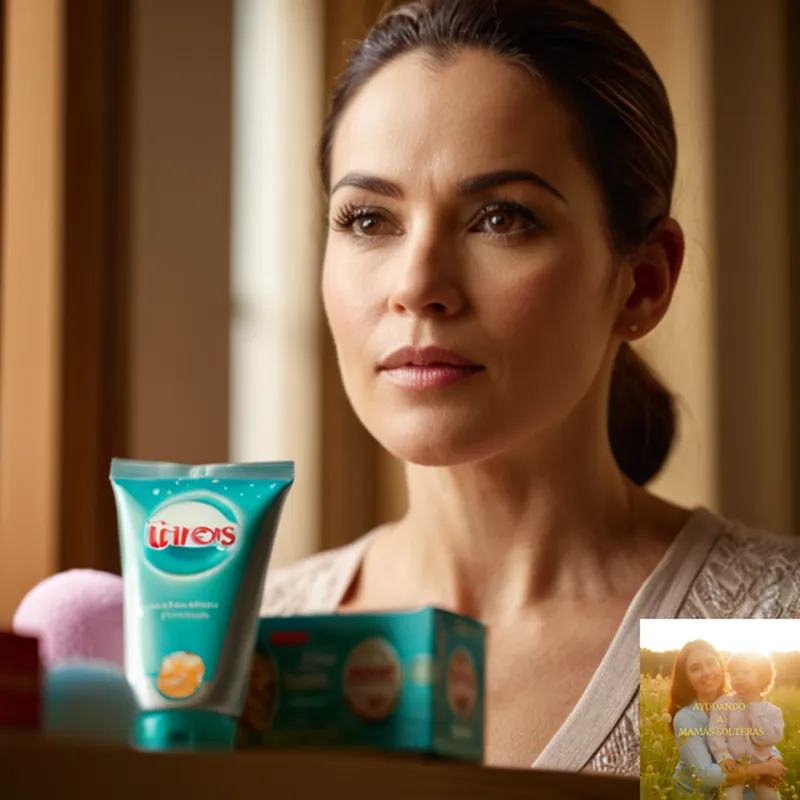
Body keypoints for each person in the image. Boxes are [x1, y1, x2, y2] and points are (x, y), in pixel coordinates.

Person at [259, 0, 800, 771]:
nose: (417, 286)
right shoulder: (256, 643)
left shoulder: (753, 637)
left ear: (643, 282)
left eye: (501, 217)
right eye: (370, 220)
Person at [668, 641, 786, 799]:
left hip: (737, 782)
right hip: (698, 794)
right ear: (686, 678)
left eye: (711, 663)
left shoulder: (740, 700)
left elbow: (757, 736)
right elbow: (707, 774)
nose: (706, 672)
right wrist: (765, 768)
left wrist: (775, 760)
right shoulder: (686, 718)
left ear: (721, 666)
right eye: (695, 668)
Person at [707, 652, 785, 800]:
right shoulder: (723, 703)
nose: (739, 677)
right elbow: (715, 733)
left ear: (762, 678)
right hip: (735, 766)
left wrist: (753, 706)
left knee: (771, 796)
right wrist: (723, 757)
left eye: (746, 672)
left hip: (762, 768)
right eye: (734, 674)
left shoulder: (772, 712)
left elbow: (768, 739)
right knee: (730, 797)